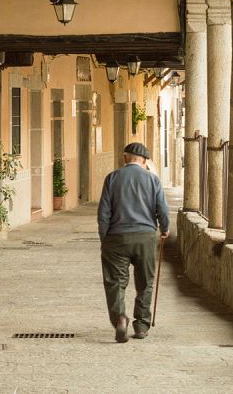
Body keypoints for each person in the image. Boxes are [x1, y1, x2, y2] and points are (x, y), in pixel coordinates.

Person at [97, 142, 169, 343]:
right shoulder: (153, 180)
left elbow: (103, 213)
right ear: (145, 161)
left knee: (115, 283)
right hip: (145, 237)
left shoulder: (112, 178)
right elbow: (162, 209)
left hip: (116, 238)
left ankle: (120, 319)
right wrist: (165, 228)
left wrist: (105, 239)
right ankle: (142, 325)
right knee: (145, 283)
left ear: (124, 158)